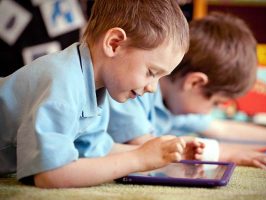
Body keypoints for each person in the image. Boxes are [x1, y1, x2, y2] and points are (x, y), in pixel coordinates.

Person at [0, 0, 205, 188]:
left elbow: (95, 150)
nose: (153, 88)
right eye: (151, 73)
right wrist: (138, 159)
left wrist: (163, 153)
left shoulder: (94, 87)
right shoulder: (62, 83)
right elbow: (48, 174)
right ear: (114, 43)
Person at [108, 12, 266, 169]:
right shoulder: (131, 88)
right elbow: (146, 148)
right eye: (215, 103)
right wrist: (223, 153)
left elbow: (224, 129)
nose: (210, 111)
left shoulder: (176, 101)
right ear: (195, 83)